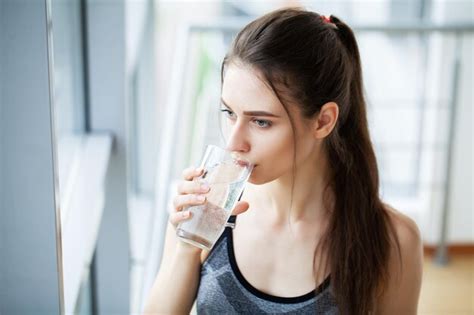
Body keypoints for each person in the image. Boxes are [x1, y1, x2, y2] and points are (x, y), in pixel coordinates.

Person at [143, 7, 423, 315]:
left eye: (261, 122)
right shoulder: (208, 210)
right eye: (229, 113)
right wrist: (187, 245)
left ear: (323, 121)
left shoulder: (392, 241)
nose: (234, 143)